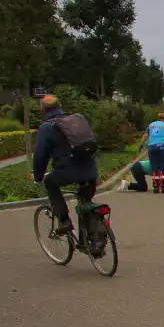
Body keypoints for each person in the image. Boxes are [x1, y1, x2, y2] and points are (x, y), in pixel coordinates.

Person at [32, 95, 98, 235]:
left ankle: (64, 221)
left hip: (65, 172)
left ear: (42, 110)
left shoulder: (47, 127)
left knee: (50, 182)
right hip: (90, 170)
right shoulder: (79, 119)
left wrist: (38, 177)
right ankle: (94, 239)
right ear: (60, 105)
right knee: (85, 201)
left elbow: (40, 157)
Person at [140, 112, 164, 193]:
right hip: (162, 147)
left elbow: (145, 135)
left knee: (154, 167)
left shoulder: (151, 125)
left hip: (151, 148)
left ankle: (156, 186)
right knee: (162, 167)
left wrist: (141, 144)